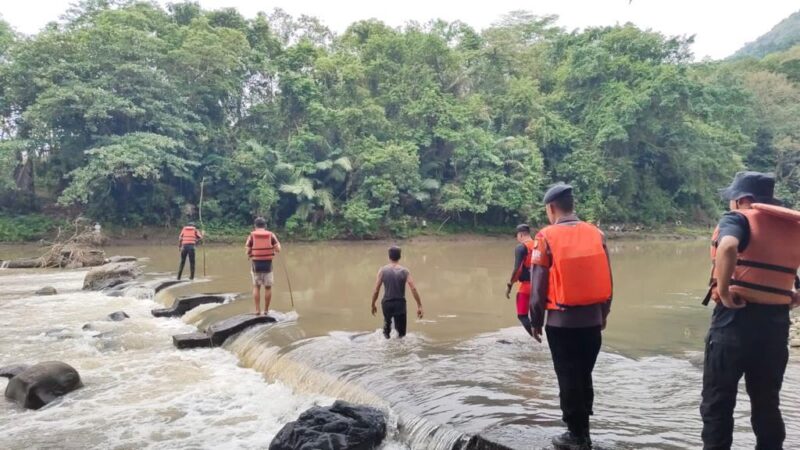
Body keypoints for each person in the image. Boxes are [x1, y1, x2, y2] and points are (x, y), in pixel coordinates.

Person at [700, 171, 800, 450]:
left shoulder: (737, 219)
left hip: (734, 320)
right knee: (767, 404)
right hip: (775, 325)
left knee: (718, 404)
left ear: (742, 199)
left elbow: (728, 246)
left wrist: (723, 290)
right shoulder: (792, 227)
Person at [529, 183, 613, 450]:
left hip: (561, 324)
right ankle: (583, 433)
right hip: (592, 323)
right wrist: (603, 313)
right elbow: (608, 278)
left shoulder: (545, 237)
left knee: (567, 376)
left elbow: (537, 285)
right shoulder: (596, 233)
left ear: (551, 208)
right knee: (583, 375)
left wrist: (535, 321)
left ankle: (575, 436)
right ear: (572, 205)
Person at [370, 246, 424, 339]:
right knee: (401, 334)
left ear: (389, 257)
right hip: (400, 303)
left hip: (387, 303)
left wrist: (373, 304)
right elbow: (413, 288)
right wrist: (419, 305)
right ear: (400, 257)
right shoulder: (404, 271)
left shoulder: (382, 270)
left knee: (386, 330)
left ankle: (386, 341)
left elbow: (376, 290)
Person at [246, 217, 282, 315]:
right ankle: (266, 311)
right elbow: (278, 249)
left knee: (256, 287)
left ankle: (257, 310)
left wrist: (250, 254)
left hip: (256, 265)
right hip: (268, 265)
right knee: (268, 287)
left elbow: (247, 250)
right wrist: (277, 246)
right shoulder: (271, 235)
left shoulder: (251, 236)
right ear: (265, 225)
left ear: (255, 226)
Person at [506, 223, 536, 336]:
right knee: (535, 315)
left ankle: (536, 339)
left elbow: (517, 269)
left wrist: (510, 285)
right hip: (541, 286)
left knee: (522, 315)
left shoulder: (521, 247)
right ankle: (540, 335)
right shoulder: (539, 245)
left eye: (517, 236)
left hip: (527, 287)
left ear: (521, 235)